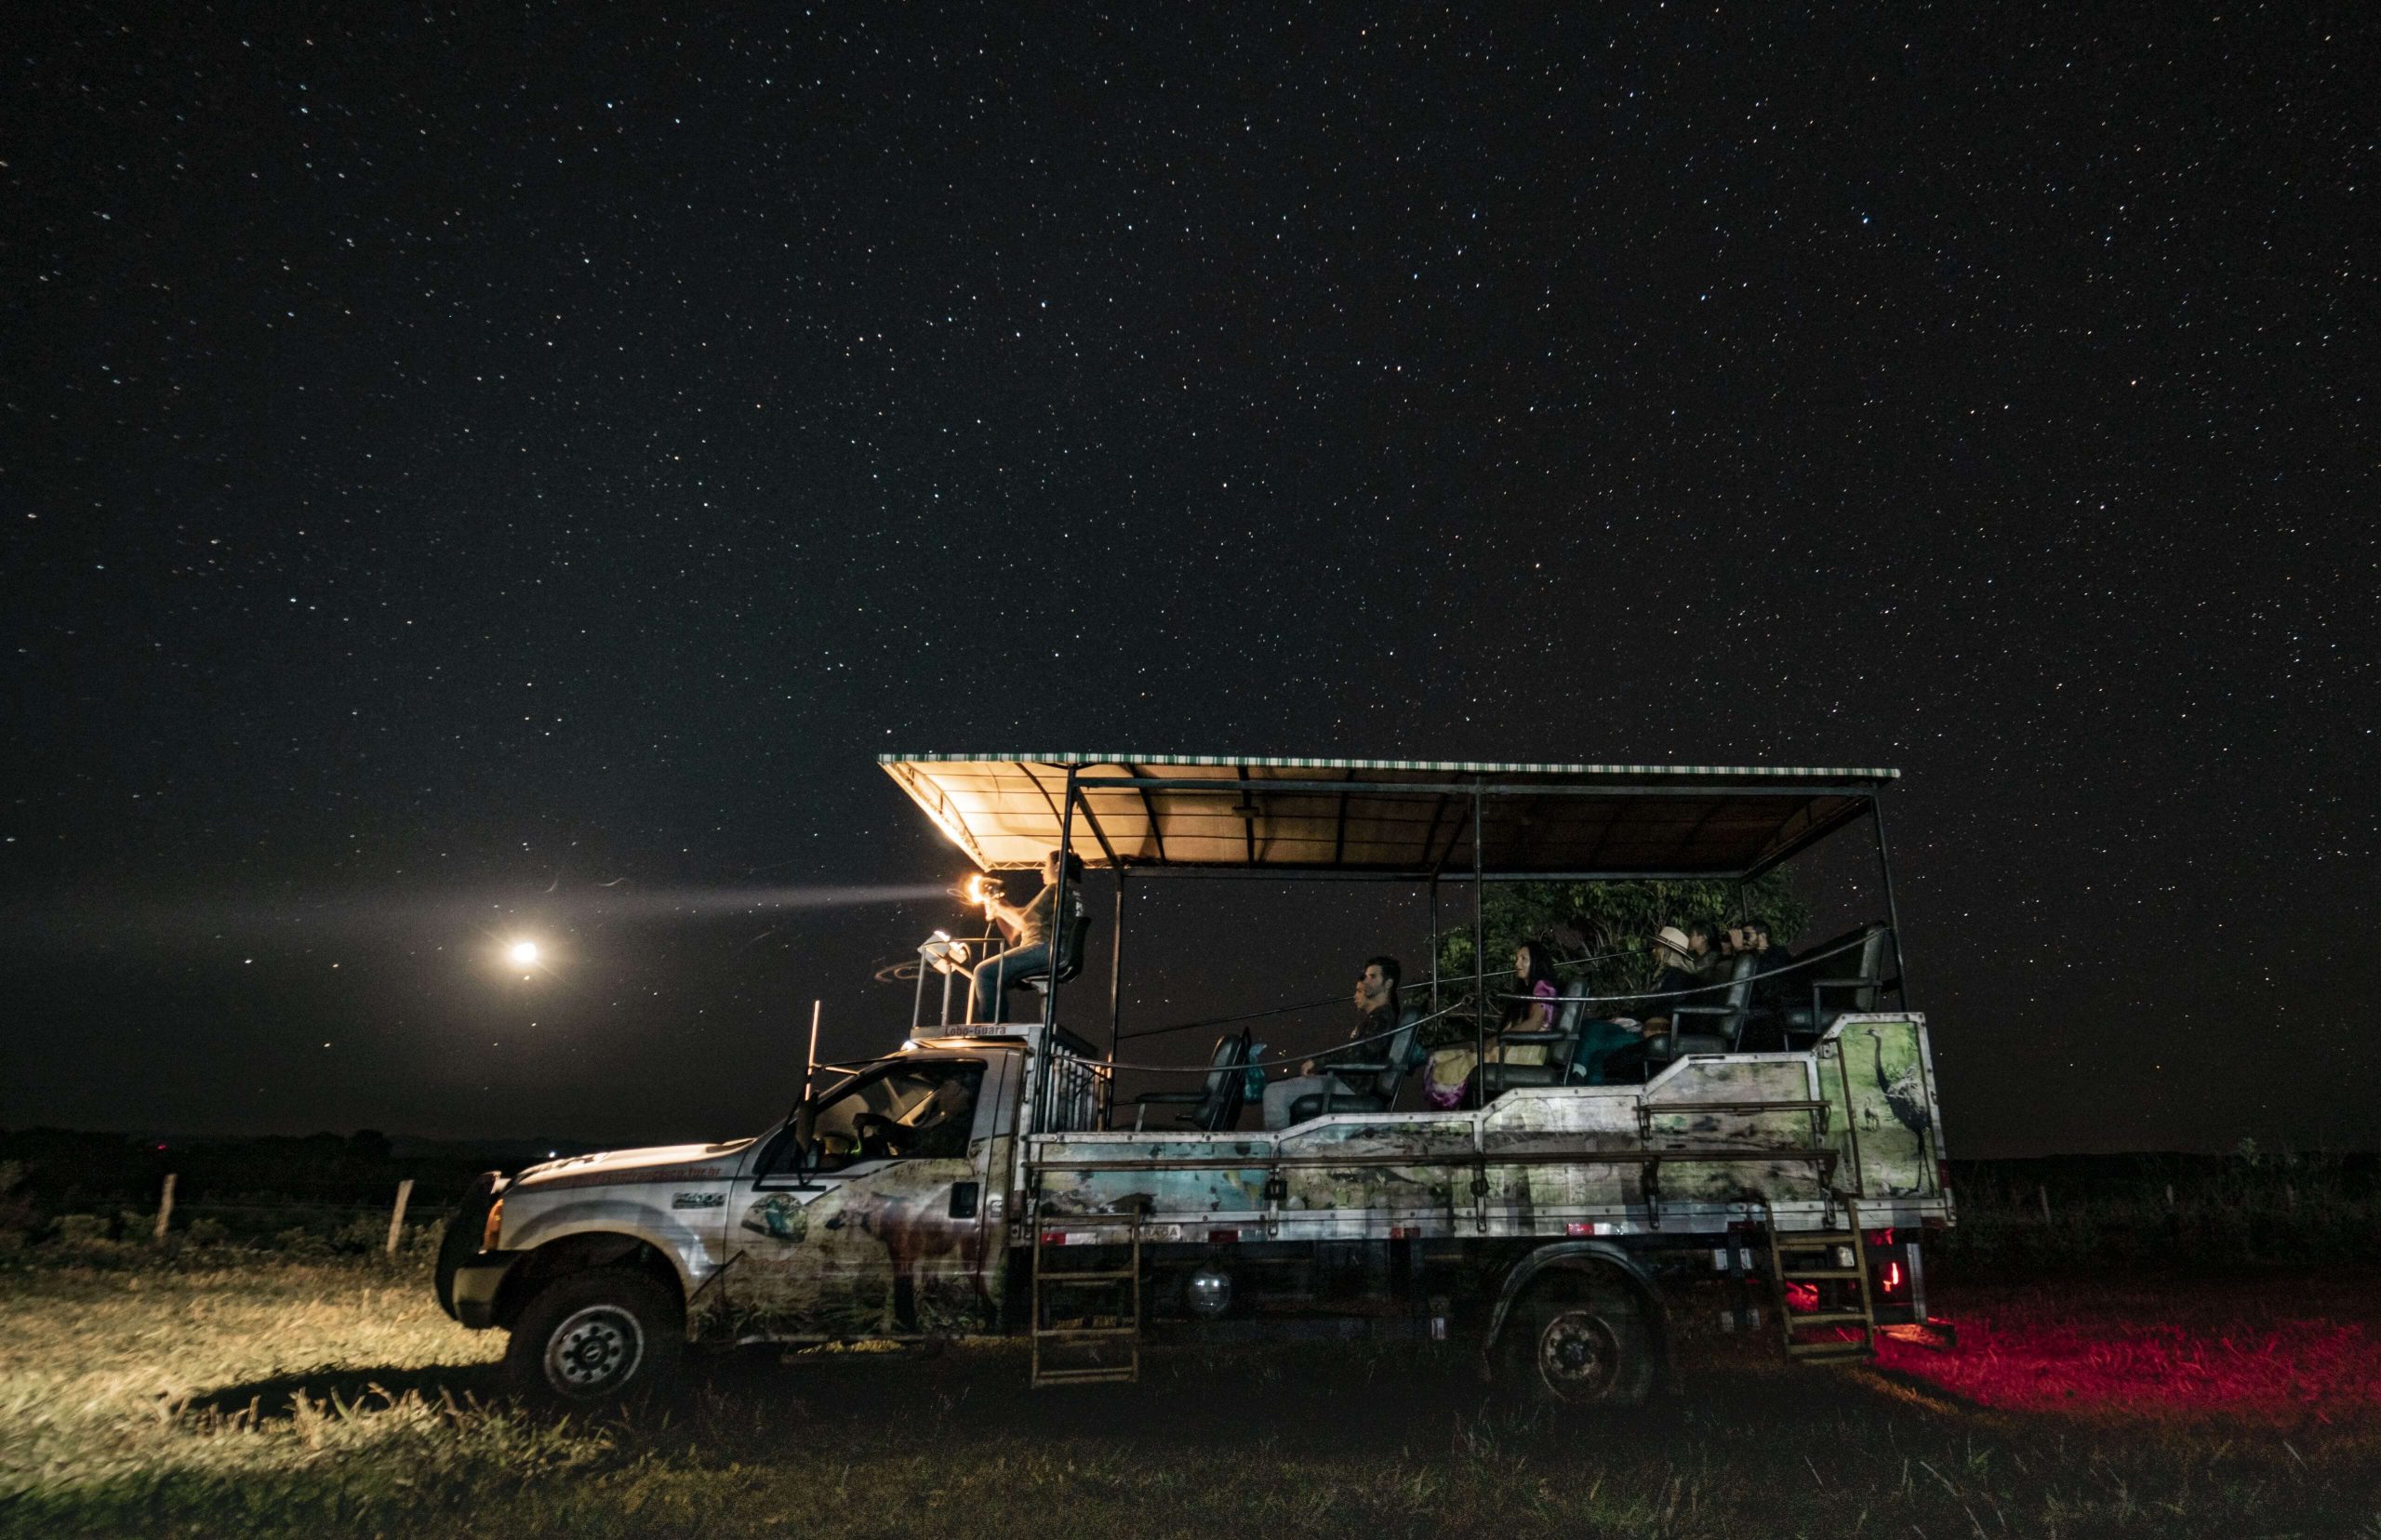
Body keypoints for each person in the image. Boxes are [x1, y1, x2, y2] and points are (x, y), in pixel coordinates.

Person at [1264, 956, 1402, 1130]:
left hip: (1351, 1086)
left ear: (1388, 984)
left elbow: (1361, 1052)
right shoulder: (1376, 1017)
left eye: (1373, 977)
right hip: (1345, 1081)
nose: (1366, 980)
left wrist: (1320, 1061)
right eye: (1366, 976)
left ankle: (1278, 1151)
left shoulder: (1383, 1017)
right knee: (1281, 1088)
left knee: (1274, 1092)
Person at [968, 850, 1086, 1023]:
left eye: (1045, 865)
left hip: (1046, 948)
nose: (1042, 870)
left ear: (1058, 866)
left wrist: (995, 902)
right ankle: (996, 1026)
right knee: (992, 978)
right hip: (1052, 949)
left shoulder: (1056, 889)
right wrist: (998, 909)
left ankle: (993, 1031)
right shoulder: (1068, 891)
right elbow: (1018, 932)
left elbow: (1024, 921)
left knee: (984, 973)